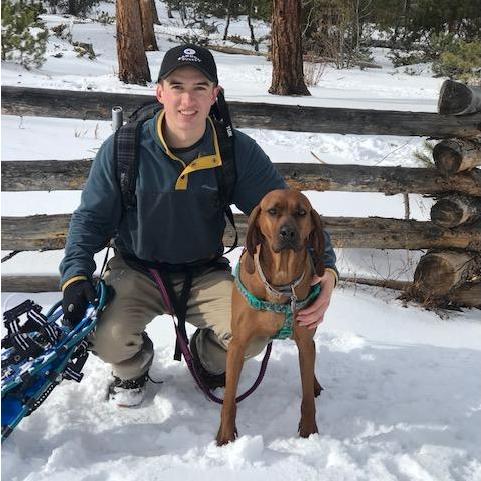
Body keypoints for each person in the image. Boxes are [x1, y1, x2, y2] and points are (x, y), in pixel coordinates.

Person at [60, 44, 338, 407]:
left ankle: (209, 360)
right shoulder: (124, 149)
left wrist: (328, 269)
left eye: (199, 88)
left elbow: (291, 211)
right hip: (137, 269)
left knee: (251, 333)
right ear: (160, 92)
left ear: (214, 96)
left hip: (205, 271)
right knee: (108, 337)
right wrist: (76, 275)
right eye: (176, 86)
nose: (186, 100)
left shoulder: (235, 151)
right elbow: (91, 219)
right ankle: (133, 367)